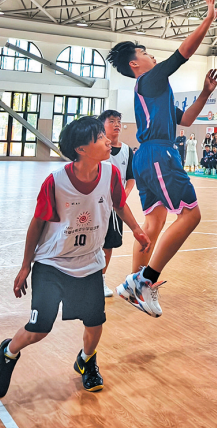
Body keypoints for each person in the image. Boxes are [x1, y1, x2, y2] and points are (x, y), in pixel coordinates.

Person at [0, 117, 149, 398]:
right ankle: (8, 352)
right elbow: (37, 223)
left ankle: (86, 361)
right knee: (39, 330)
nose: (108, 140)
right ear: (81, 149)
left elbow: (119, 204)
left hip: (89, 263)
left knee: (95, 324)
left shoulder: (110, 174)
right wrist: (25, 266)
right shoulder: (56, 182)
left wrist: (137, 229)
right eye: (100, 137)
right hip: (53, 264)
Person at [106, 0, 217, 317]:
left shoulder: (153, 92)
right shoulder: (149, 79)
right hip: (159, 154)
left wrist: (204, 94)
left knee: (153, 225)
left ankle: (134, 282)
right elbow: (182, 54)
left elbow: (185, 120)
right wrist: (209, 17)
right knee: (191, 215)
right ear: (135, 63)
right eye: (145, 52)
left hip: (146, 158)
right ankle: (145, 281)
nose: (152, 56)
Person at [97, 110, 136, 298]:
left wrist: (124, 195)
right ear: (102, 125)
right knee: (92, 243)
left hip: (115, 207)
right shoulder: (97, 148)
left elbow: (130, 178)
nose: (116, 124)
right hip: (96, 204)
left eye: (119, 121)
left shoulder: (127, 150)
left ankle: (100, 280)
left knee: (108, 244)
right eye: (111, 121)